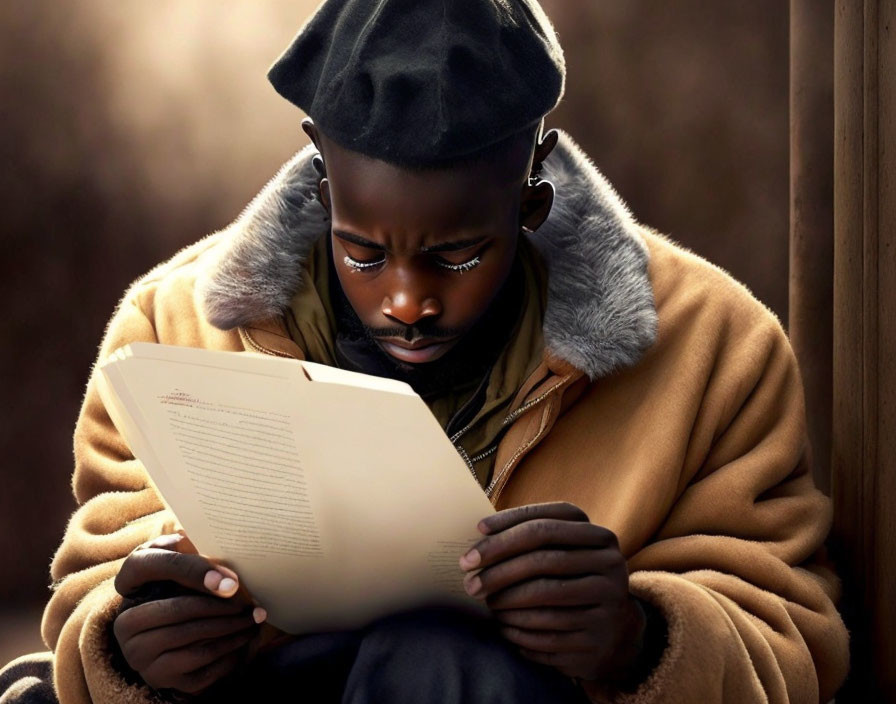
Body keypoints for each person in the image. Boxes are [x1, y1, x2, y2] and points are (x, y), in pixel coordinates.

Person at [0, 0, 849, 702]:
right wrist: (131, 646)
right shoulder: (168, 332)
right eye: (362, 253)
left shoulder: (714, 347)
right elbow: (90, 592)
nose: (408, 304)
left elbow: (792, 639)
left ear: (532, 190)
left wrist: (641, 635)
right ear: (320, 174)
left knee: (431, 658)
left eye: (458, 255)